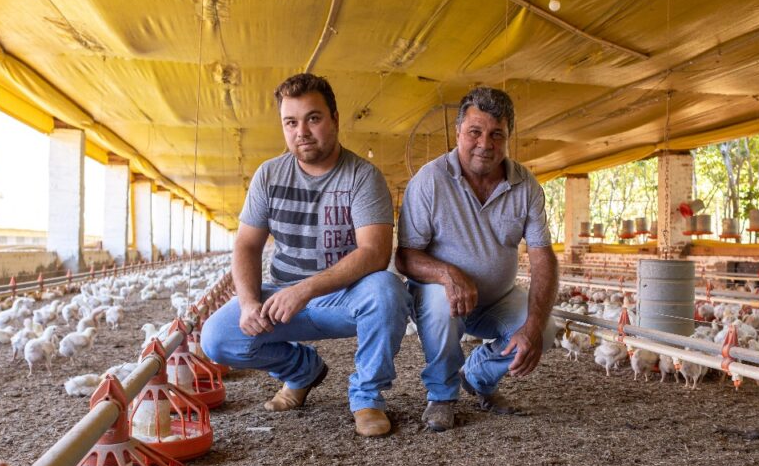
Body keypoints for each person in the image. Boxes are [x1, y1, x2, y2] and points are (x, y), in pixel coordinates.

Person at [201, 73, 410, 437]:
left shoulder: (362, 177)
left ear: (335, 120)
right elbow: (246, 244)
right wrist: (249, 303)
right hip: (282, 297)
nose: (302, 132)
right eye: (291, 122)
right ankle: (301, 370)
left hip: (345, 297)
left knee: (387, 291)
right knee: (216, 337)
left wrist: (305, 289)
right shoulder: (269, 175)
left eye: (313, 118)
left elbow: (375, 253)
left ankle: (367, 397)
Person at [395, 86, 558, 432]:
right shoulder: (430, 180)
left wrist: (531, 326)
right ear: (458, 132)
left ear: (508, 137)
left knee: (544, 328)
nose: (485, 144)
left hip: (498, 299)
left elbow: (543, 259)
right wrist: (447, 274)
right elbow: (405, 257)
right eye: (475, 132)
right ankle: (441, 395)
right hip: (443, 296)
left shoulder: (525, 185)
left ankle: (478, 376)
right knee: (441, 302)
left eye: (497, 134)